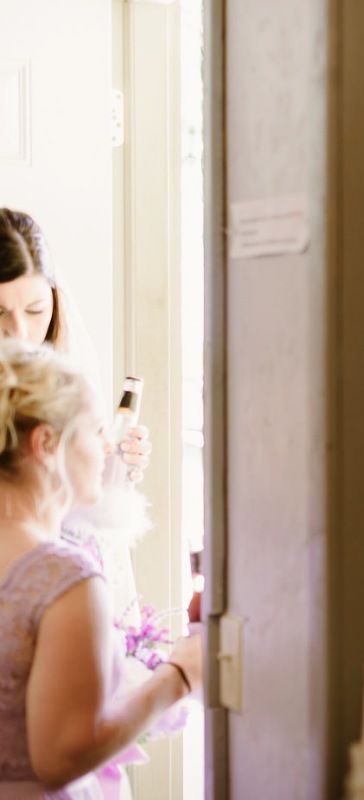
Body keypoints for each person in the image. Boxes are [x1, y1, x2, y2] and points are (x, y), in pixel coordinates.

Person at [0, 209, 160, 799]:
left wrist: (112, 467)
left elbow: (91, 503)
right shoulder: (60, 580)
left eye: (36, 312)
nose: (20, 332)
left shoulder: (67, 377)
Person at [0, 339, 201, 799]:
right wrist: (179, 676)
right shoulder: (60, 576)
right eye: (95, 431)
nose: (110, 443)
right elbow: (61, 758)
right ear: (46, 444)